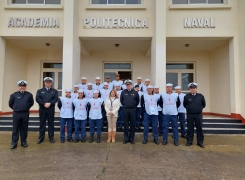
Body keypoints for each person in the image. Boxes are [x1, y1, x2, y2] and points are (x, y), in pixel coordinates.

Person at [9, 80, 34, 149]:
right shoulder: (14, 95)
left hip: (25, 113)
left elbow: (31, 103)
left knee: (24, 128)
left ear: (25, 87)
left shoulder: (29, 95)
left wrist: (25, 108)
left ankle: (23, 142)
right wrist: (16, 108)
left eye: (23, 86)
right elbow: (10, 104)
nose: (22, 87)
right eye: (21, 86)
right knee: (15, 129)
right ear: (18, 87)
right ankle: (14, 143)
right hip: (16, 113)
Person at [36, 77, 58, 144]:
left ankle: (51, 137)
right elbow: (37, 98)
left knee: (51, 123)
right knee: (42, 123)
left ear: (51, 83)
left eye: (49, 82)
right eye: (46, 82)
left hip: (50, 109)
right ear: (44, 83)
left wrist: (50, 103)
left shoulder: (54, 91)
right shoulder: (40, 91)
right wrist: (44, 103)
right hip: (43, 109)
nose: (48, 83)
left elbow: (56, 99)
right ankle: (41, 138)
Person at [184, 83, 206, 148]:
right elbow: (185, 105)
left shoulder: (201, 96)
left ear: (196, 89)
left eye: (194, 88)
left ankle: (200, 142)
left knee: (199, 128)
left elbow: (204, 104)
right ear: (189, 89)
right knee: (190, 128)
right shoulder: (186, 97)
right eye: (191, 88)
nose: (193, 89)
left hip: (198, 114)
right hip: (190, 114)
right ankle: (189, 141)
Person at [120, 80, 139, 144]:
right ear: (126, 86)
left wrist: (133, 106)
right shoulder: (123, 92)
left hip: (133, 109)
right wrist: (125, 105)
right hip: (125, 109)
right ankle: (126, 138)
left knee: (132, 124)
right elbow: (121, 100)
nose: (128, 86)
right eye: (127, 85)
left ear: (131, 85)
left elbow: (137, 101)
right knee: (126, 124)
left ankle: (131, 138)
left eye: (129, 85)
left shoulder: (135, 92)